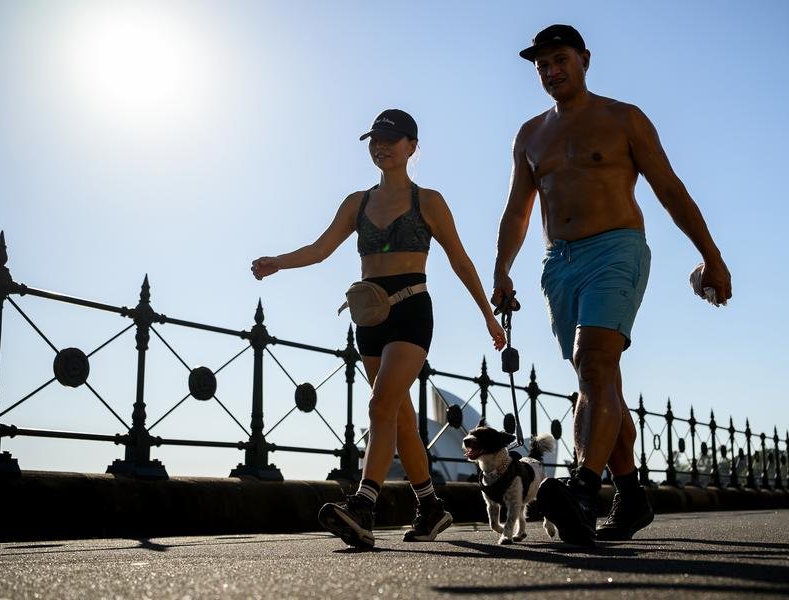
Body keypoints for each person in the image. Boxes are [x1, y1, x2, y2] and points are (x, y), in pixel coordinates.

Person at [492, 25, 732, 546]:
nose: (552, 71)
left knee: (596, 362)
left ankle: (582, 488)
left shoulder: (625, 118)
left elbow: (669, 188)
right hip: (559, 262)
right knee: (597, 380)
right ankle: (631, 494)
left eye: (561, 60)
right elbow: (518, 209)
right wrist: (501, 270)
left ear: (585, 60)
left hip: (617, 248)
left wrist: (711, 257)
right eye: (542, 66)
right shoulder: (530, 134)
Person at [253, 109, 506, 548]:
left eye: (391, 139)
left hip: (411, 309)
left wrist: (487, 314)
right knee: (399, 417)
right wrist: (279, 262)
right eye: (375, 139)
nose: (381, 146)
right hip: (368, 314)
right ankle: (431, 508)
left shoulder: (428, 200)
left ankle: (363, 505)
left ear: (412, 146)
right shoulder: (357, 202)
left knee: (379, 403)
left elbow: (460, 260)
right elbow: (319, 248)